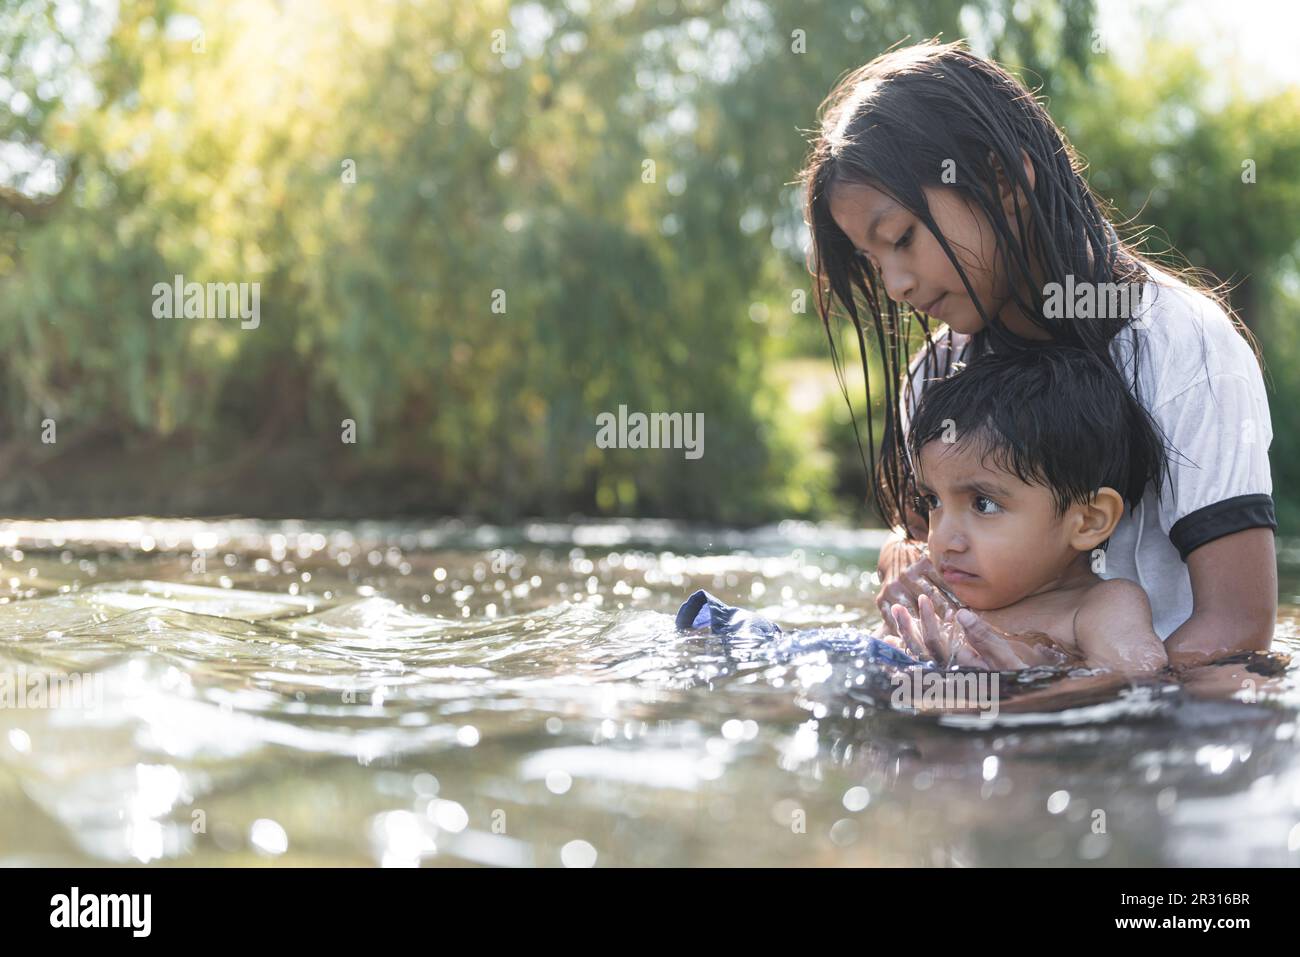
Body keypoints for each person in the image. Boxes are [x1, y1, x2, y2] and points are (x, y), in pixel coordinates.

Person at [796, 39, 1277, 667]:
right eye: (872, 260)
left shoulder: (1181, 345)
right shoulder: (935, 378)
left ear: (1004, 180)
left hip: (1141, 731)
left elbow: (1237, 630)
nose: (896, 285)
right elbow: (937, 555)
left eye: (903, 238)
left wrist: (1069, 700)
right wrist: (904, 565)